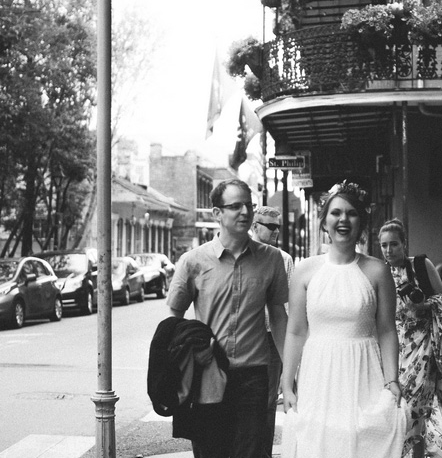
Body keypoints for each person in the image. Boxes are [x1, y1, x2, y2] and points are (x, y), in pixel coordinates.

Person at [280, 180, 408, 458]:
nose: (343, 219)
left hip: (364, 371)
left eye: (351, 213)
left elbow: (386, 330)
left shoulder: (377, 271)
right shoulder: (305, 271)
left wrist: (392, 380)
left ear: (361, 223)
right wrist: (287, 382)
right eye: (336, 212)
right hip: (319, 374)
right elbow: (296, 332)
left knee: (362, 441)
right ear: (324, 222)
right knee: (318, 443)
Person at [166, 179, 289, 458]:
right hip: (207, 377)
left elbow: (279, 318)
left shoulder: (272, 260)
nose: (245, 212)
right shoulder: (193, 261)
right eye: (236, 206)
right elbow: (173, 320)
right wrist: (187, 355)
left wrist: (290, 372)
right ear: (217, 213)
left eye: (249, 205)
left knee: (251, 452)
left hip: (253, 377)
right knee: (210, 451)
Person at [379, 219, 442, 458]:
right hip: (394, 346)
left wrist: (424, 304)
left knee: (414, 405)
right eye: (384, 245)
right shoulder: (380, 271)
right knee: (397, 404)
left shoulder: (421, 265)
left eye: (393, 244)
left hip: (424, 345)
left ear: (404, 244)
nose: (388, 250)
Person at [251, 205, 294, 458]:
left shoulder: (283, 258)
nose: (276, 231)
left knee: (268, 401)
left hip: (271, 338)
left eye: (278, 226)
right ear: (255, 227)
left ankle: (262, 454)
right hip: (248, 336)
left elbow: (286, 305)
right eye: (271, 226)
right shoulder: (245, 255)